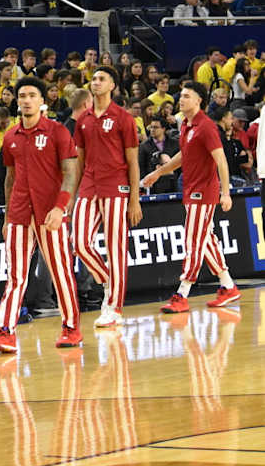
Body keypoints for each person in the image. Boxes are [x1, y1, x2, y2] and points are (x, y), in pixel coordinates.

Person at [0, 77, 81, 354]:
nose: (26, 100)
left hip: (50, 213)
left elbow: (71, 173)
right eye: (22, 96)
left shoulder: (57, 132)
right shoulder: (11, 135)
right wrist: (6, 217)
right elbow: (9, 178)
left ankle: (71, 328)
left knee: (60, 271)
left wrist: (60, 207)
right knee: (16, 275)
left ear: (43, 102)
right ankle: (6, 333)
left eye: (31, 95)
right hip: (18, 214)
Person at [143, 82, 240, 312]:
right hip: (190, 191)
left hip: (203, 194)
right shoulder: (186, 125)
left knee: (193, 241)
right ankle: (228, 286)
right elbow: (181, 156)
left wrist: (225, 193)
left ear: (199, 100)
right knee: (206, 240)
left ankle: (182, 293)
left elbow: (221, 161)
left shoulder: (206, 127)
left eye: (187, 96)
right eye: (181, 95)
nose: (181, 99)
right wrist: (158, 173)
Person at [73, 65, 141, 328]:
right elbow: (78, 161)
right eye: (94, 79)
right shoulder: (83, 119)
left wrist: (134, 199)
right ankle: (109, 282)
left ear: (112, 85)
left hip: (117, 186)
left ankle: (114, 307)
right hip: (89, 186)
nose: (96, 82)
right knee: (79, 242)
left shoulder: (124, 118)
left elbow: (133, 162)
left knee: (116, 249)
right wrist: (71, 195)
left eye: (102, 79)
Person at [138, 117, 179, 193]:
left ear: (163, 129)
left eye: (156, 127)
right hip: (153, 185)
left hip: (173, 184)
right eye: (151, 127)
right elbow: (141, 167)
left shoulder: (175, 144)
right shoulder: (144, 146)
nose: (152, 130)